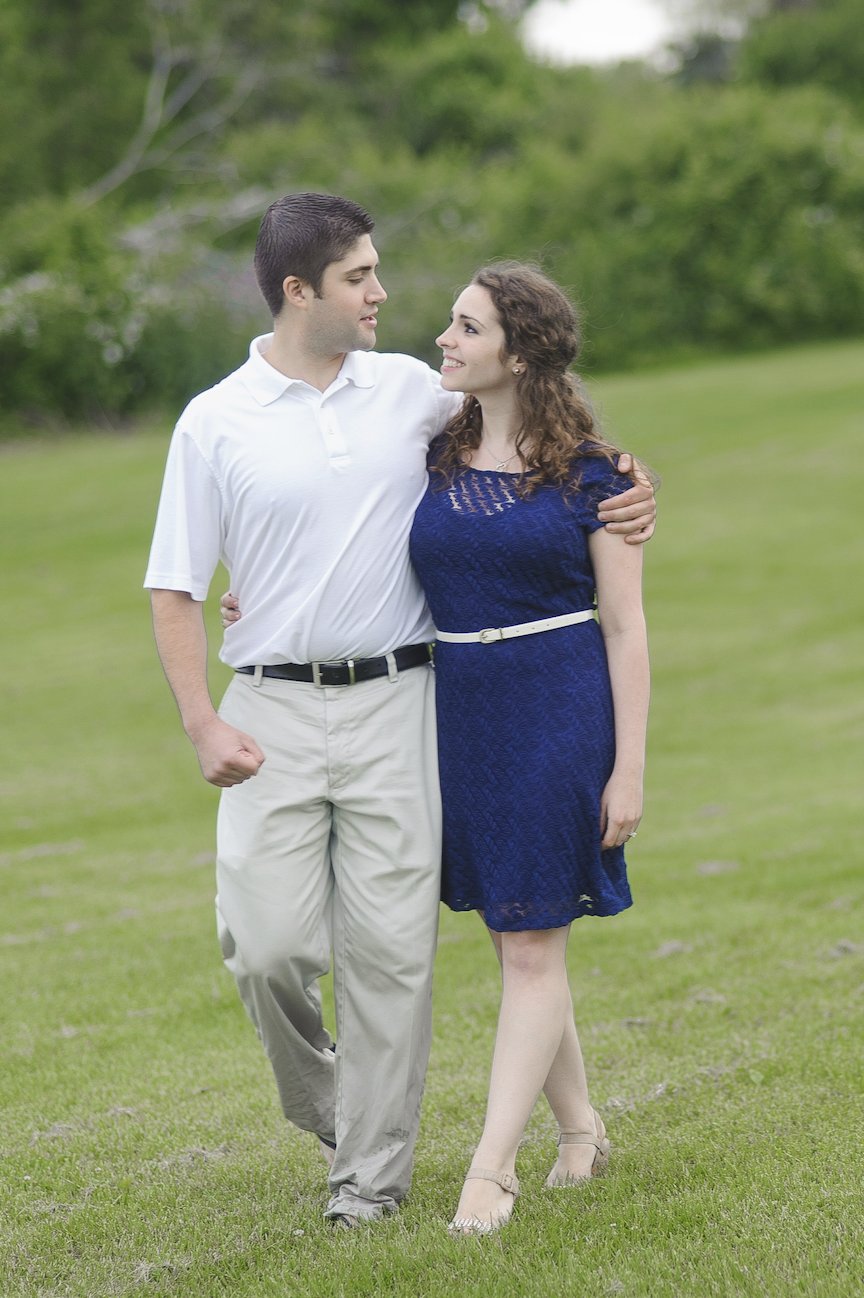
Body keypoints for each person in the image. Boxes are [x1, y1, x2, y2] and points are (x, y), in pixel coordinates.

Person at [145, 193, 656, 1230]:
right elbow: (182, 580)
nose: (387, 294)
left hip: (411, 701)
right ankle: (346, 1109)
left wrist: (636, 482)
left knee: (420, 950)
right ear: (301, 290)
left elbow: (552, 438)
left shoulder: (414, 395)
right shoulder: (217, 419)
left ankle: (384, 1181)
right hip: (296, 707)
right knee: (270, 944)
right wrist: (209, 707)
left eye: (381, 272)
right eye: (361, 276)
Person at [407, 262, 650, 1235]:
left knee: (533, 941)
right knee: (517, 932)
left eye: (466, 327)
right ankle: (583, 1126)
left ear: (519, 349)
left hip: (559, 705)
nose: (444, 339)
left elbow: (627, 627)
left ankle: (490, 1170)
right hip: (460, 707)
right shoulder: (432, 448)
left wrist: (628, 766)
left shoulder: (596, 476)